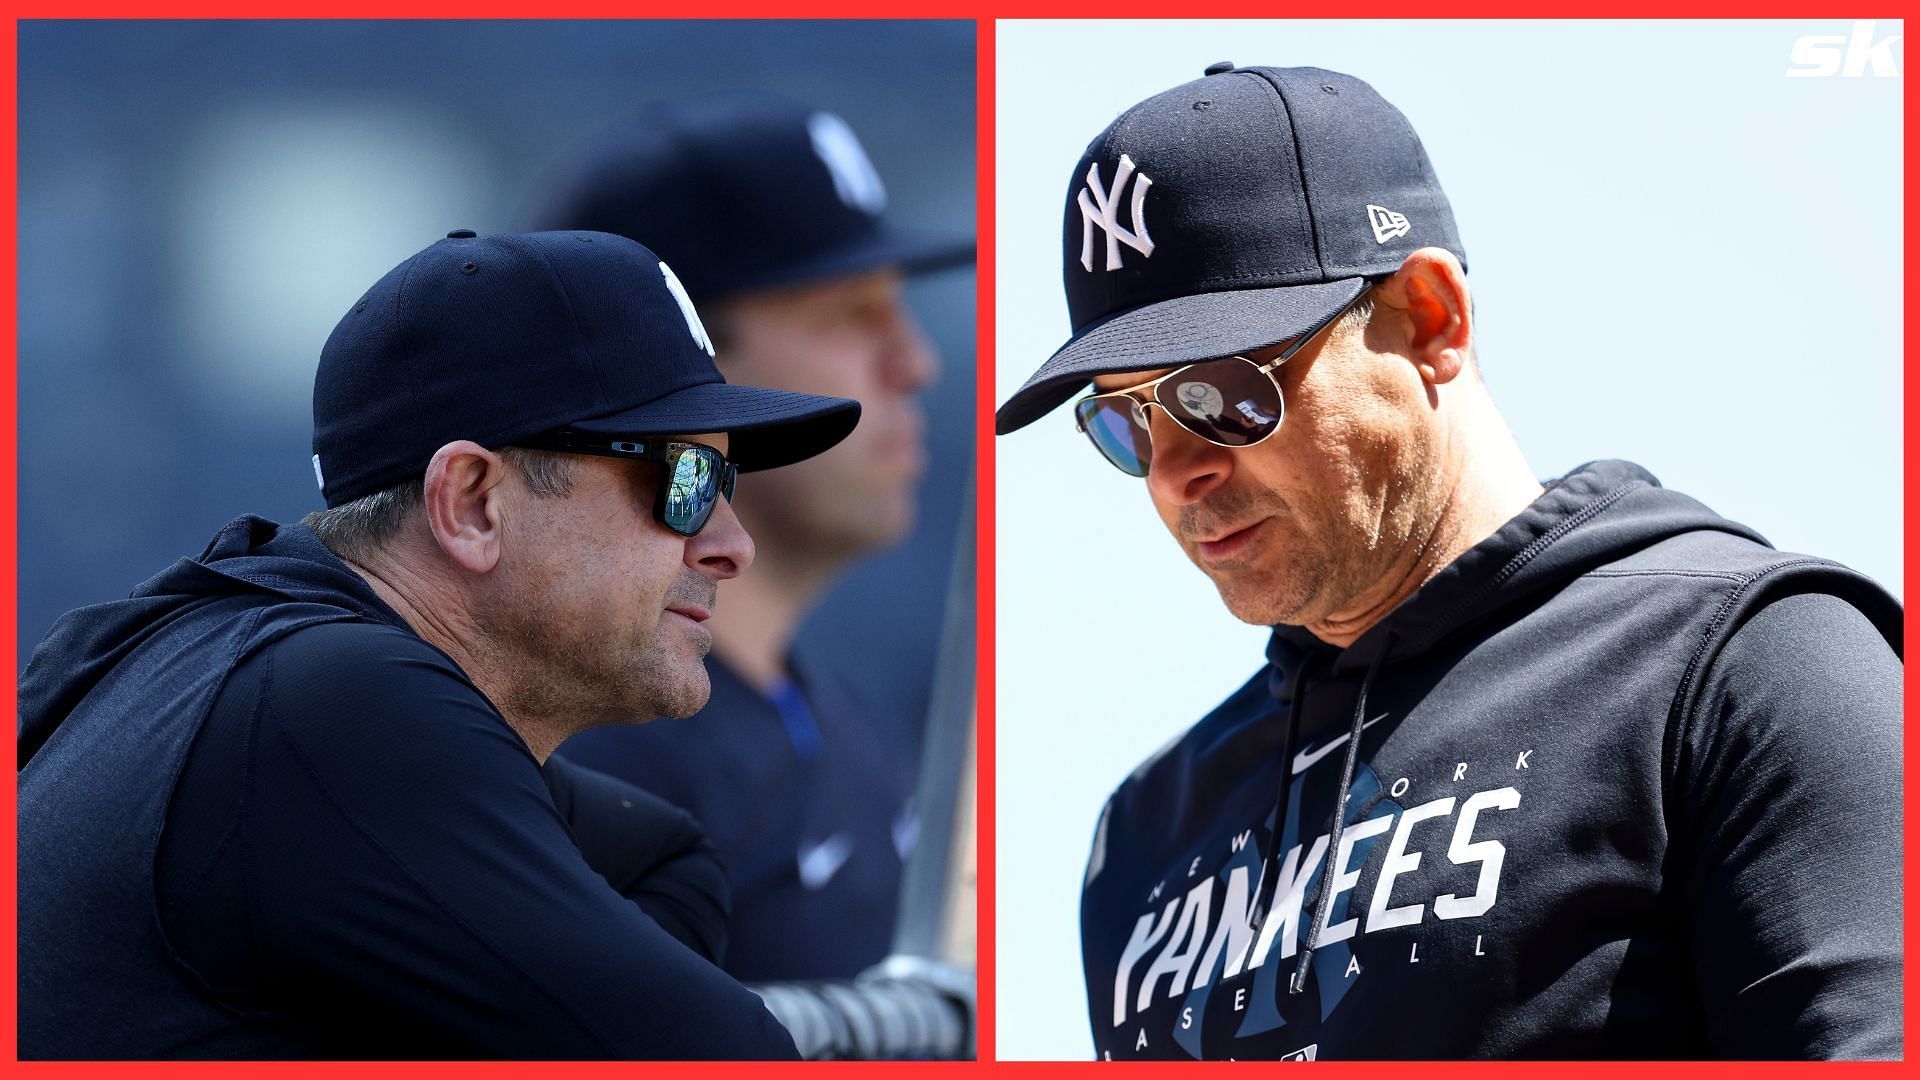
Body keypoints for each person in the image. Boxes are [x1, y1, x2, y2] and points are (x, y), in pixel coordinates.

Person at [994, 64, 1902, 1061]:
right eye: (1125, 421)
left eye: (1223, 393)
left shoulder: (1744, 668)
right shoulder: (1146, 837)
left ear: (1430, 318)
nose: (1177, 473)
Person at [17, 229, 865, 1059]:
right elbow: (724, 1054)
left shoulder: (223, 662)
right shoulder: (341, 705)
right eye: (685, 480)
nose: (731, 544)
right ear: (471, 502)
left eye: (728, 481)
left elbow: (665, 858)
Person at [527, 92, 974, 981]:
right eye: (850, 312)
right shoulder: (576, 748)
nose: (913, 362)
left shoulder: (841, 724)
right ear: (684, 365)